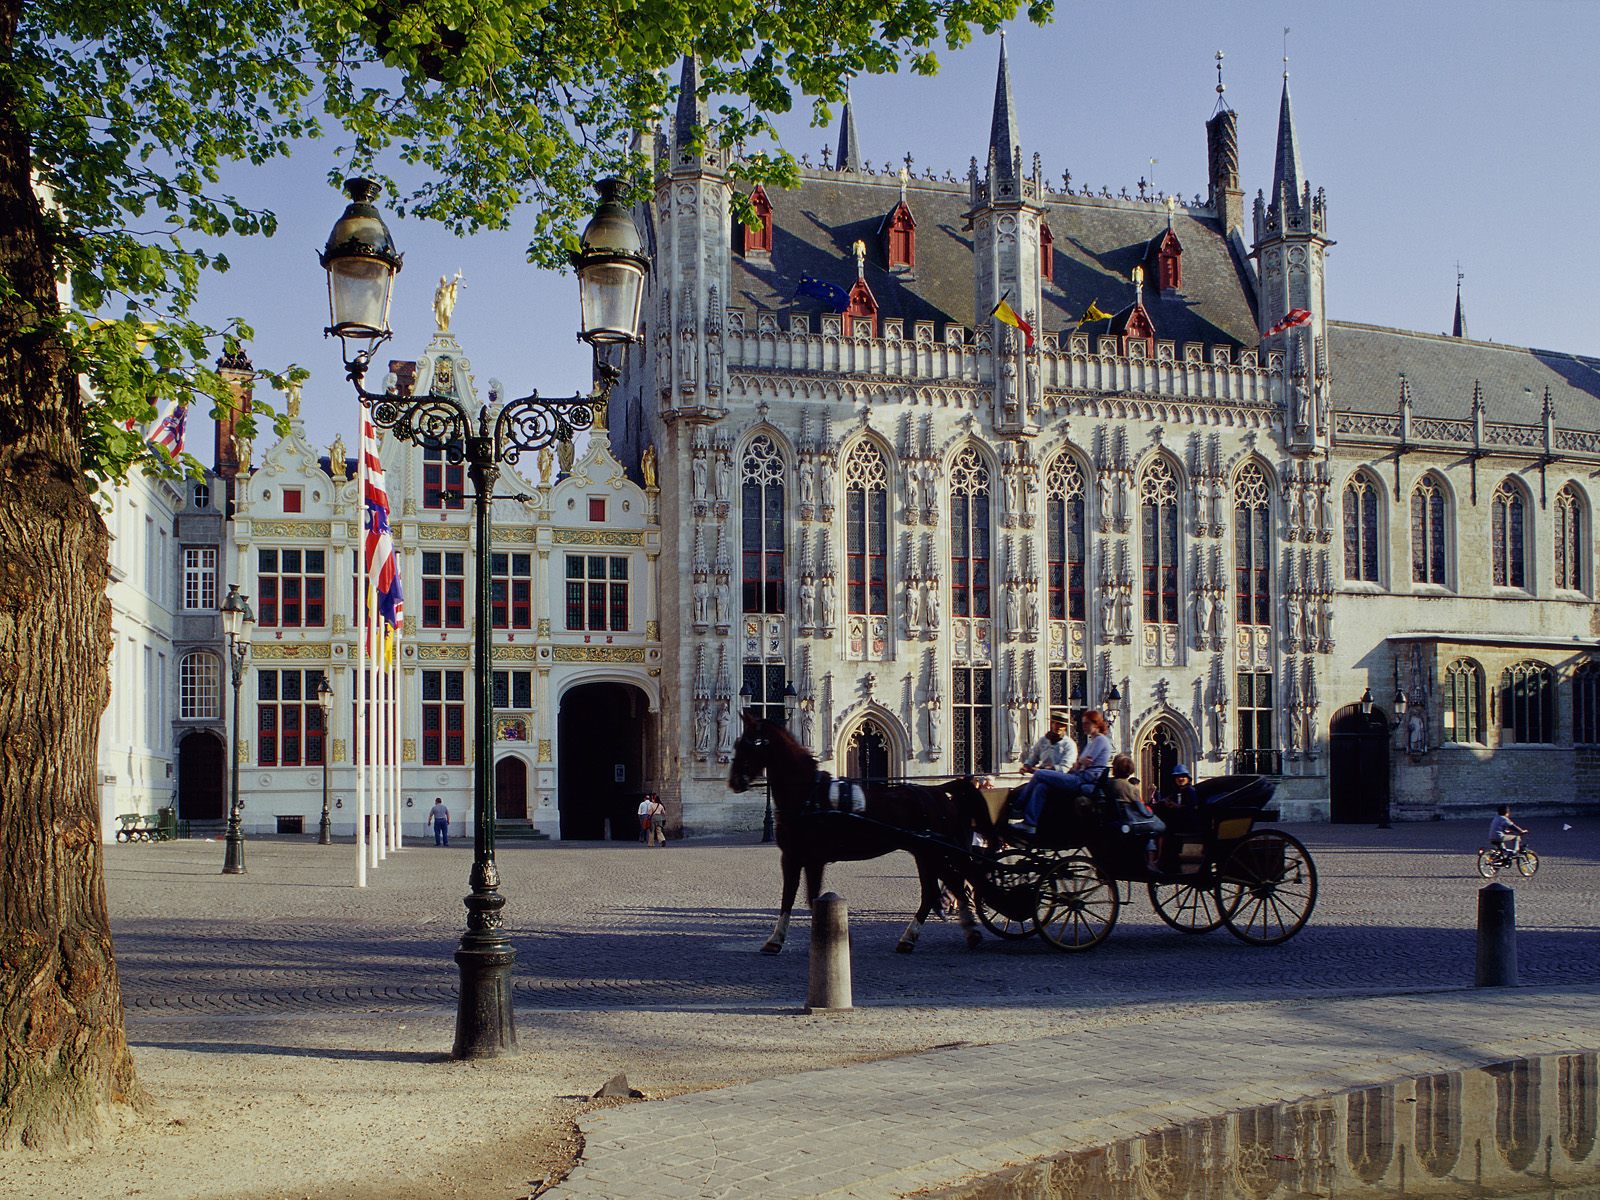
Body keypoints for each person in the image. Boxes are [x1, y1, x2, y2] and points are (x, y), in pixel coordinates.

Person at [1010, 709, 1114, 836]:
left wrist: (1077, 763)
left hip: (1082, 780)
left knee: (1039, 774)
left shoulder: (1099, 741)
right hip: (1077, 776)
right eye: (1056, 723)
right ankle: (1031, 824)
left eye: (1086, 724)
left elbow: (1084, 762)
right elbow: (1078, 763)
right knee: (1041, 787)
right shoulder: (1092, 741)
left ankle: (1017, 806)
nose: (1083, 727)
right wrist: (1027, 765)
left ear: (1096, 724)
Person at [1105, 754, 1164, 869]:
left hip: (1115, 822)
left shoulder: (1109, 783)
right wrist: (1151, 813)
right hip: (1129, 823)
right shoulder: (1130, 788)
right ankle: (1151, 862)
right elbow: (1143, 811)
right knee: (1158, 827)